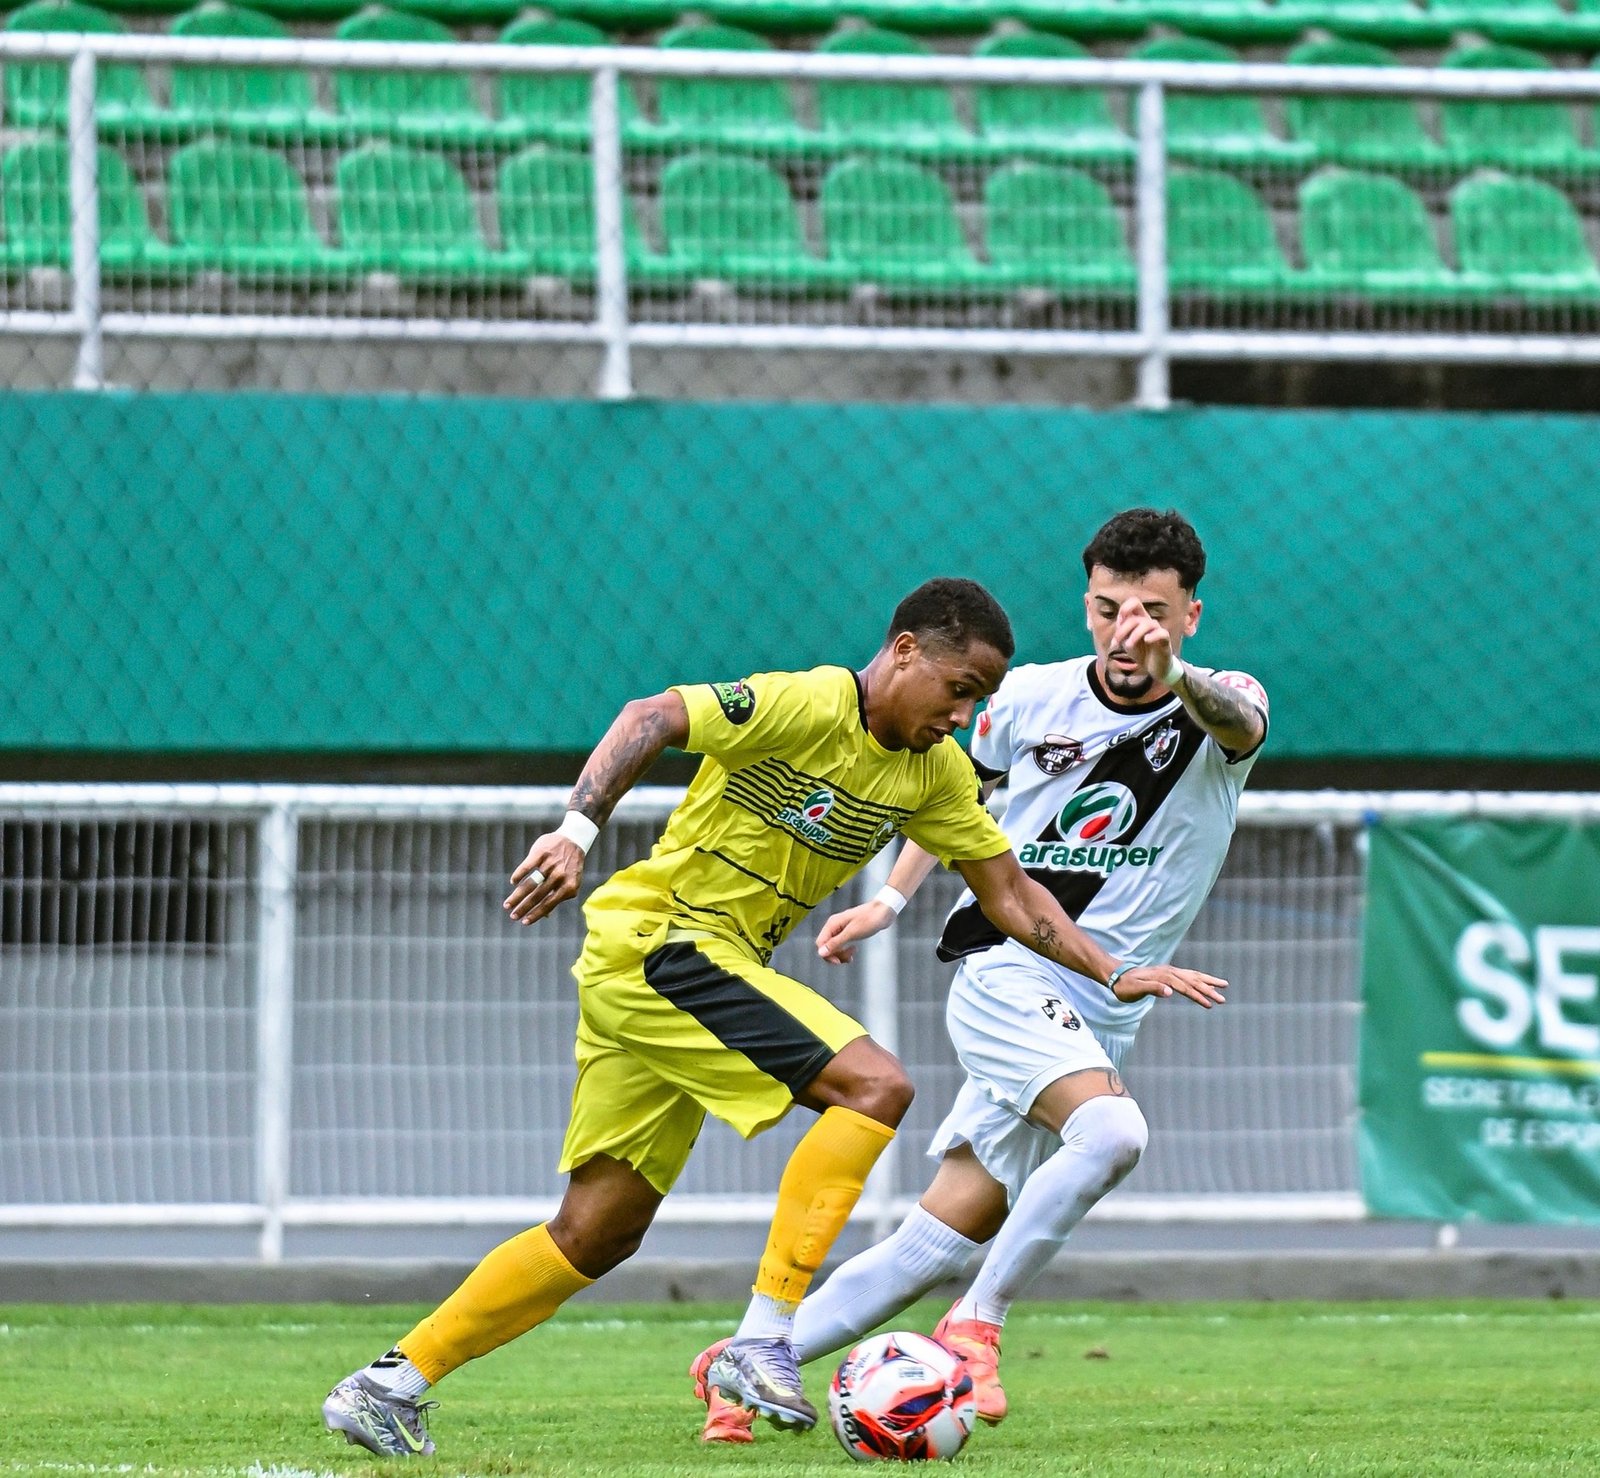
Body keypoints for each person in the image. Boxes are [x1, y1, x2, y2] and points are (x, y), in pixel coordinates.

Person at [320, 575, 1225, 1458]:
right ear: (905, 651)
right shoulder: (809, 703)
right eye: (958, 690)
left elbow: (1012, 894)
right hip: (662, 942)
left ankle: (388, 1383)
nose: (963, 715)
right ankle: (762, 1339)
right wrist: (575, 832)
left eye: (978, 699)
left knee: (596, 1232)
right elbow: (650, 716)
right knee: (876, 1087)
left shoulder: (935, 774)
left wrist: (1112, 971)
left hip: (683, 973)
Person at [692, 508, 1268, 1443]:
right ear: (1087, 604)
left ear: (1189, 616)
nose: (1128, 632)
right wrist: (891, 899)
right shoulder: (1029, 698)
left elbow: (1239, 722)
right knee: (1113, 1132)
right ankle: (977, 1324)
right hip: (1008, 969)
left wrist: (1174, 673)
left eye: (1152, 614)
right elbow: (954, 801)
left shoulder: (1221, 703)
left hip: (1100, 1012)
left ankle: (744, 1364)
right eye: (1108, 609)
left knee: (936, 1239)